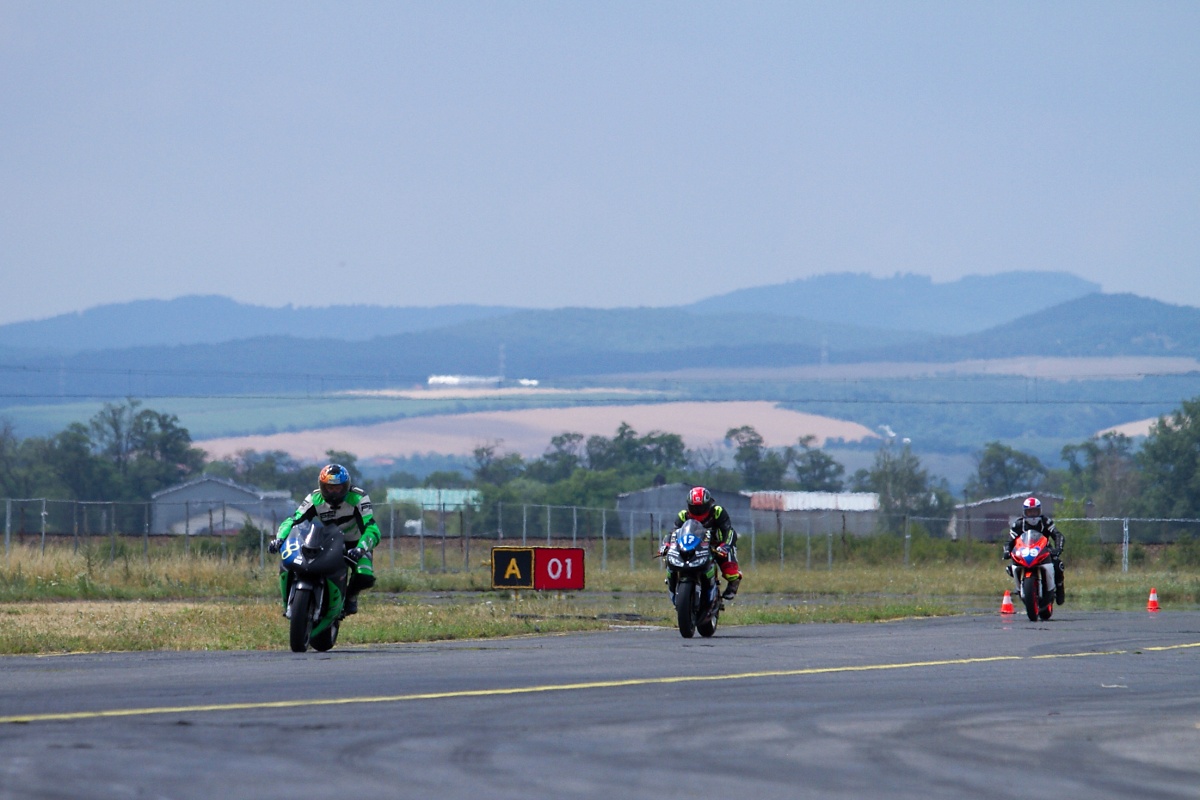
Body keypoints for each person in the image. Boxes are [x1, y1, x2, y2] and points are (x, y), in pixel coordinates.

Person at [268, 463, 381, 615]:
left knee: (365, 576)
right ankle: (292, 601)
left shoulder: (358, 497)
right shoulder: (314, 498)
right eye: (329, 488)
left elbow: (371, 528)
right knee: (299, 563)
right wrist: (279, 539)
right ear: (322, 486)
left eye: (338, 488)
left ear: (346, 486)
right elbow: (293, 520)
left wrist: (361, 548)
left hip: (355, 544)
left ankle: (350, 597)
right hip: (327, 541)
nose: (333, 492)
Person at [659, 486, 742, 601]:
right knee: (671, 559)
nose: (698, 510)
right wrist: (667, 545)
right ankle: (673, 583)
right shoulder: (683, 515)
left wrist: (725, 545)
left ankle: (733, 583)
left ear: (708, 504)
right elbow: (673, 533)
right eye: (694, 507)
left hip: (717, 545)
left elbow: (728, 531)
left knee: (730, 572)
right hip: (692, 546)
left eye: (701, 507)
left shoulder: (717, 512)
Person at [1004, 496, 1065, 604]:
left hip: (1044, 550)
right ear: (1025, 512)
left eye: (1035, 511)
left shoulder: (1046, 521)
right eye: (1030, 512)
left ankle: (1059, 588)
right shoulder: (1018, 524)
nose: (1032, 515)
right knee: (1010, 567)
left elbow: (1057, 535)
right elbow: (1009, 541)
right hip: (1024, 552)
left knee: (1058, 565)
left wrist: (1058, 548)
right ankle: (1019, 588)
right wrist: (1007, 551)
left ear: (1039, 511)